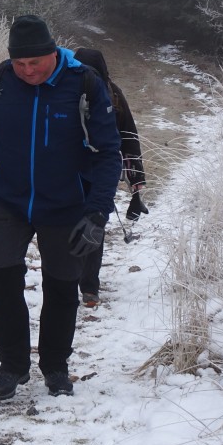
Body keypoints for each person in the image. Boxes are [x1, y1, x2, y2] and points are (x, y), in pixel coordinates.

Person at [0, 15, 122, 400]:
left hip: (66, 203)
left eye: (35, 63)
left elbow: (109, 152)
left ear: (52, 53)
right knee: (1, 277)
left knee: (62, 284)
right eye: (19, 63)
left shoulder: (84, 84)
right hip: (8, 199)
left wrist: (97, 212)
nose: (27, 71)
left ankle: (56, 366)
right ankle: (12, 366)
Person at [72, 48, 148, 309]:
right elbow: (131, 140)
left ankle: (87, 285)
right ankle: (85, 286)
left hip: (100, 170)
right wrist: (136, 188)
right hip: (78, 170)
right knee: (87, 223)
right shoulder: (107, 93)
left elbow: (128, 139)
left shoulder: (112, 95)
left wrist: (136, 190)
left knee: (92, 220)